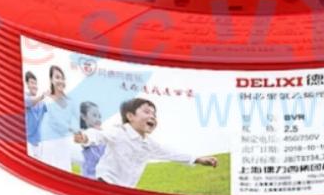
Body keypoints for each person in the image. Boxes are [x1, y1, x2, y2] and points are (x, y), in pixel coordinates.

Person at [73, 97, 217, 188]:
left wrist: (197, 159)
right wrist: (85, 137)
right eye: (147, 112)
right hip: (105, 184)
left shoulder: (148, 144)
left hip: (126, 191)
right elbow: (99, 135)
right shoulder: (119, 132)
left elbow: (170, 153)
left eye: (154, 114)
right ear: (130, 116)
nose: (152, 116)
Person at [38, 65, 83, 172]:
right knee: (48, 171)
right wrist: (74, 130)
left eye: (62, 78)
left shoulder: (69, 101)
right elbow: (57, 121)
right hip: (49, 143)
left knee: (64, 170)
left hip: (64, 143)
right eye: (57, 77)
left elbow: (80, 117)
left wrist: (87, 128)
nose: (60, 81)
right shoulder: (47, 99)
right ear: (51, 80)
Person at [79, 101, 106, 179]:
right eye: (94, 115)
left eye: (99, 116)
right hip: (91, 177)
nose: (98, 119)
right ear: (84, 117)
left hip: (102, 176)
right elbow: (85, 139)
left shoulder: (101, 134)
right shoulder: (88, 133)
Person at [24, 71, 47, 159]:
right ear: (27, 84)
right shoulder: (25, 97)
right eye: (32, 83)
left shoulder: (41, 103)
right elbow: (29, 102)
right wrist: (41, 97)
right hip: (28, 142)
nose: (34, 85)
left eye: (35, 83)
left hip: (38, 142)